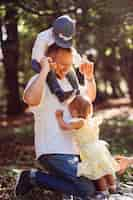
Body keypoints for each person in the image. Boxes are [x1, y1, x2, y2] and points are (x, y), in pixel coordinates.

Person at [15, 44, 97, 200]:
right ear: (49, 60)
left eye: (69, 65)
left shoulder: (69, 83)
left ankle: (67, 191)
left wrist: (89, 78)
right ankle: (32, 177)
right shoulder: (40, 81)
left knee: (98, 182)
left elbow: (89, 99)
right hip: (52, 151)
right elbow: (30, 98)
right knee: (87, 188)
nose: (66, 68)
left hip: (74, 153)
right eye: (62, 64)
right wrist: (44, 70)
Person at [55, 95, 119, 199]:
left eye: (70, 111)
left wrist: (59, 117)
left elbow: (65, 127)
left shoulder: (79, 122)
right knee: (106, 167)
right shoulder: (91, 121)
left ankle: (104, 192)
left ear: (75, 112)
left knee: (98, 172)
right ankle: (113, 187)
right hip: (99, 147)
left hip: (89, 151)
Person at [32, 15, 82, 103]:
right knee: (49, 70)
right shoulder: (43, 37)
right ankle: (59, 93)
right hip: (39, 61)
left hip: (55, 61)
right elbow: (38, 55)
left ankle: (77, 91)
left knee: (69, 69)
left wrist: (78, 62)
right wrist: (49, 64)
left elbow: (70, 51)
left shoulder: (65, 37)